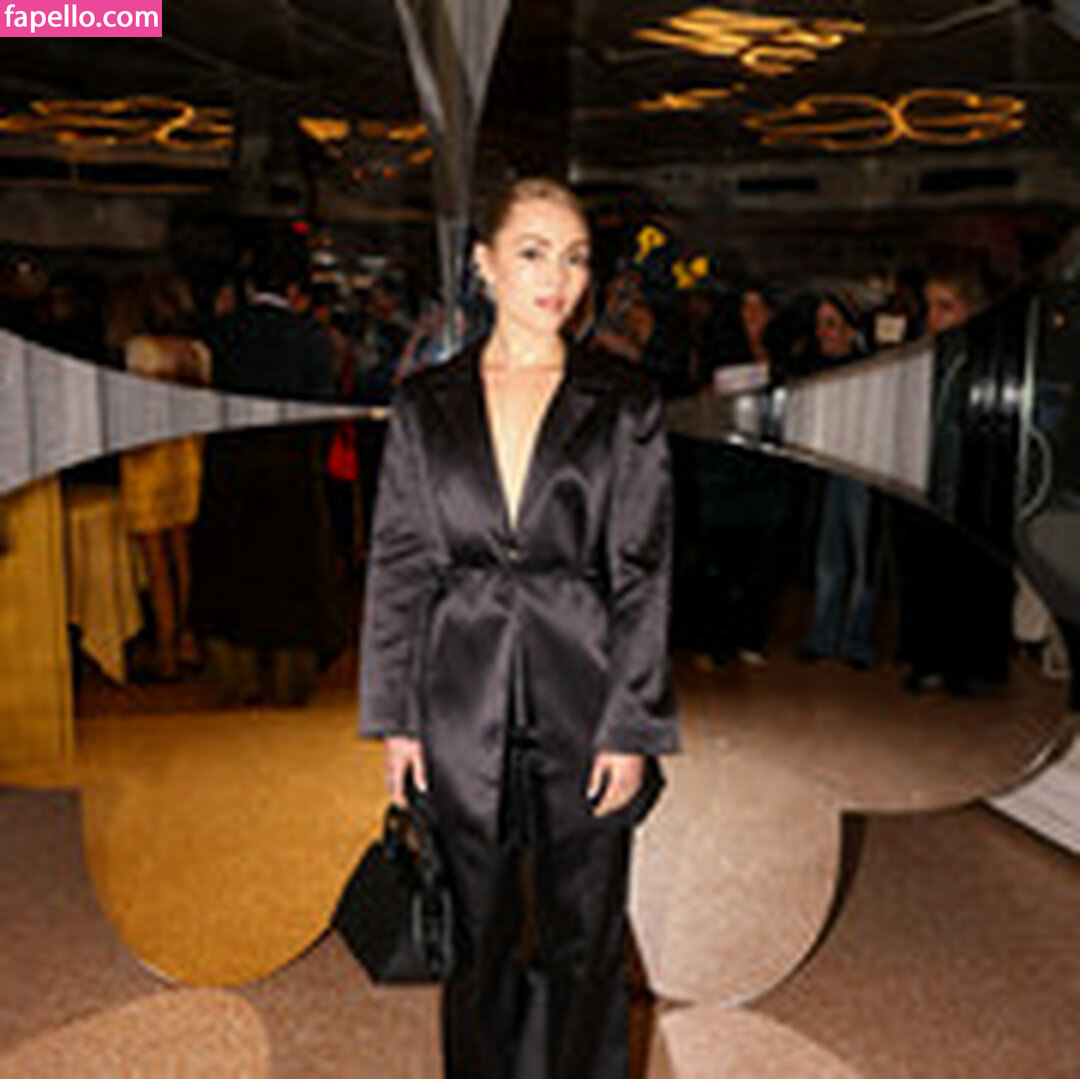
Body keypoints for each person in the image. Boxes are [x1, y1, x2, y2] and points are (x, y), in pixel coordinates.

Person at [359, 176, 678, 1078]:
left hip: (588, 693)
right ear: (484, 264)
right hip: (457, 698)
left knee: (586, 935)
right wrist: (397, 719)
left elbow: (644, 573)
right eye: (533, 253)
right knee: (476, 936)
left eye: (574, 258)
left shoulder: (624, 400)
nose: (557, 279)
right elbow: (400, 565)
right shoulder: (425, 402)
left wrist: (632, 725)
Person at [110, 272, 211, 680]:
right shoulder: (198, 352)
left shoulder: (139, 351)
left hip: (148, 461)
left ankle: (166, 648)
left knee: (156, 563)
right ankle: (189, 640)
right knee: (184, 556)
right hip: (186, 455)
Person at [800, 291, 883, 668]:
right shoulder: (814, 365)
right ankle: (821, 637)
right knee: (828, 557)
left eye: (831, 324)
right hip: (829, 470)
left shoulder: (870, 366)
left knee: (865, 559)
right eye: (820, 324)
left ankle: (858, 643)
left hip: (863, 470)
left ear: (851, 330)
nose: (823, 332)